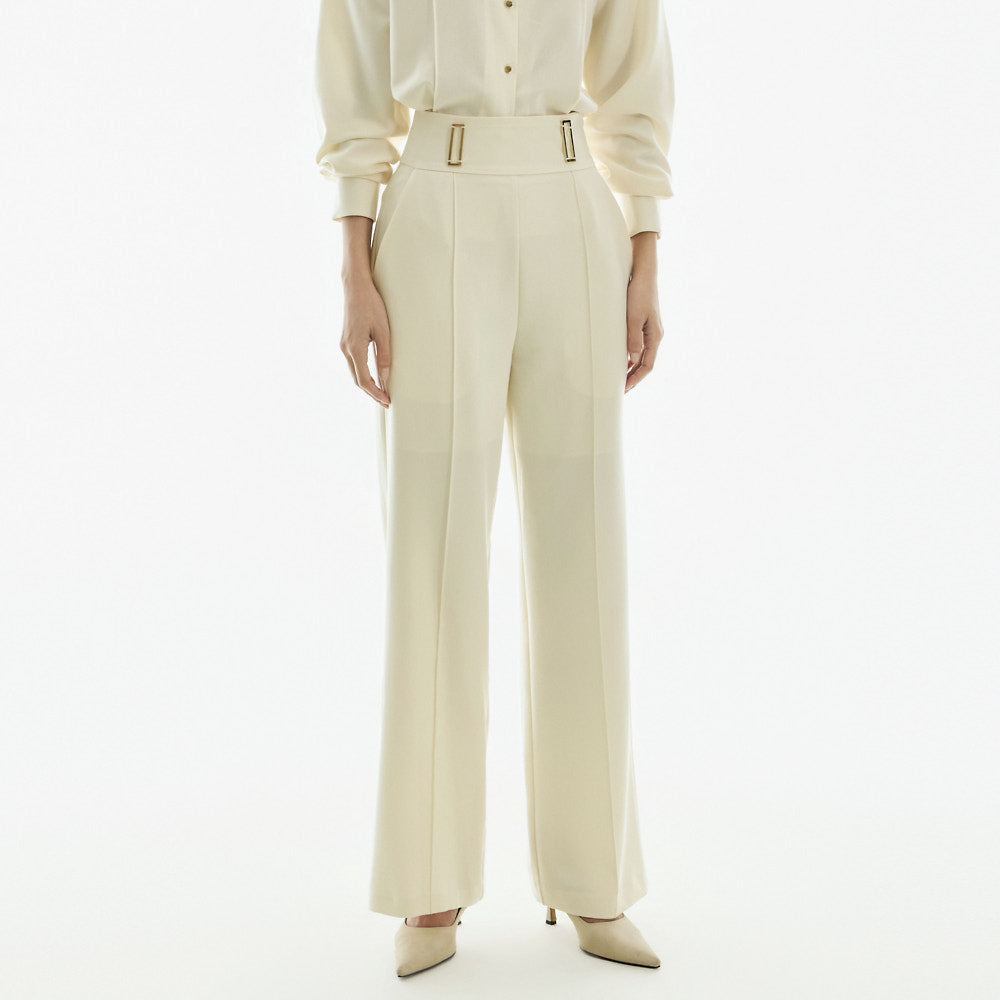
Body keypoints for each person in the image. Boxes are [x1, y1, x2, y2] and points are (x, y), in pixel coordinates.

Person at [314, 0, 674, 978]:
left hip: (573, 206)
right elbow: (355, 82)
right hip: (435, 208)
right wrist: (353, 267)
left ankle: (592, 877)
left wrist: (646, 252)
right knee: (430, 550)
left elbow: (633, 77)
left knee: (584, 548)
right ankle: (429, 884)